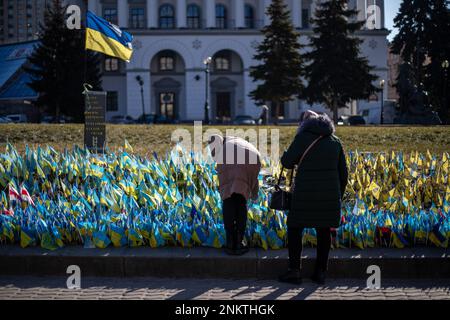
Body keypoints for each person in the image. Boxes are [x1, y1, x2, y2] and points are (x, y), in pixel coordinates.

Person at [278, 110, 348, 285]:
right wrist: (337, 195)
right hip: (329, 196)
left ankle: (294, 271)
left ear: (305, 125)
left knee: (295, 229)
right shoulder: (335, 142)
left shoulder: (302, 139)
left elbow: (286, 162)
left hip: (304, 196)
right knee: (324, 231)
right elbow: (343, 174)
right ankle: (321, 273)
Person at [208, 134, 261, 255]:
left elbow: (224, 181)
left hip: (237, 161)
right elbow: (253, 177)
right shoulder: (235, 140)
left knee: (229, 199)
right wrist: (254, 193)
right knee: (241, 200)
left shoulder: (223, 150)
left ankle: (231, 242)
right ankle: (239, 241)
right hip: (255, 156)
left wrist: (225, 191)